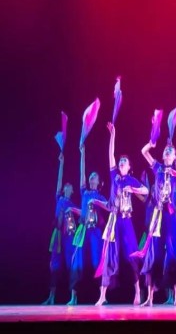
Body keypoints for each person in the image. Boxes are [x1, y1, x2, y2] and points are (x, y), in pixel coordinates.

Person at [94, 123, 148, 306]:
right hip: (113, 220)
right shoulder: (114, 177)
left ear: (129, 166)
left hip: (126, 222)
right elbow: (110, 155)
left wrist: (132, 188)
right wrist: (113, 135)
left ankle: (138, 292)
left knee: (132, 255)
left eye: (125, 161)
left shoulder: (131, 179)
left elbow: (146, 191)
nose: (121, 162)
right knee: (108, 255)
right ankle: (102, 295)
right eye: (120, 161)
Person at [137, 140, 176, 306]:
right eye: (166, 151)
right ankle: (150, 298)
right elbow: (143, 152)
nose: (168, 153)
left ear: (174, 157)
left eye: (171, 151)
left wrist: (175, 173)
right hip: (159, 214)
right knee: (154, 254)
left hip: (172, 216)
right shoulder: (158, 168)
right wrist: (150, 143)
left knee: (175, 253)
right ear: (163, 156)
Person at [69, 145, 107, 305]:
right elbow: (82, 173)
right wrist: (82, 153)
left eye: (94, 177)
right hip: (82, 229)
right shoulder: (84, 192)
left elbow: (109, 207)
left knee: (97, 261)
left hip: (96, 231)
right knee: (77, 261)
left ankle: (102, 295)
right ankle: (73, 297)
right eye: (90, 176)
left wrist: (98, 202)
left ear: (98, 182)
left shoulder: (100, 196)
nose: (91, 178)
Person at [43, 152, 79, 305]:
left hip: (69, 236)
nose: (67, 186)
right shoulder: (59, 198)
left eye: (70, 186)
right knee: (54, 266)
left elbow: (81, 213)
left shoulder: (72, 204)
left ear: (72, 191)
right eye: (66, 186)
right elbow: (59, 180)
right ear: (64, 189)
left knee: (72, 265)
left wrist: (74, 211)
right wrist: (61, 163)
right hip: (57, 235)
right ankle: (51, 297)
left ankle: (74, 297)